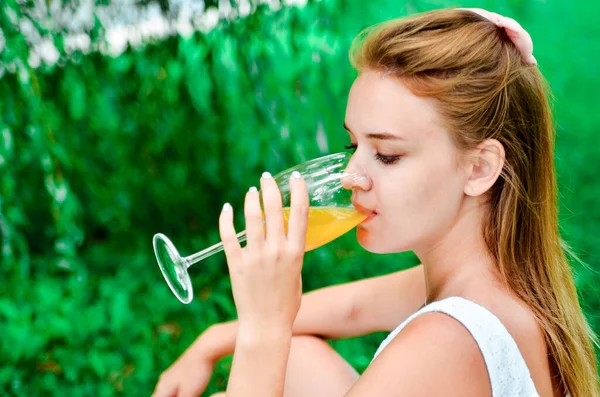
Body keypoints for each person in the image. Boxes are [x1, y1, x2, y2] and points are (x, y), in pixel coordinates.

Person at [153, 8, 600, 397]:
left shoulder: (446, 342)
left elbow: (279, 340)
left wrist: (263, 331)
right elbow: (353, 308)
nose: (352, 177)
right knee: (296, 358)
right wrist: (212, 340)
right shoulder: (494, 274)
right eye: (353, 146)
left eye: (387, 155)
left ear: (479, 168)